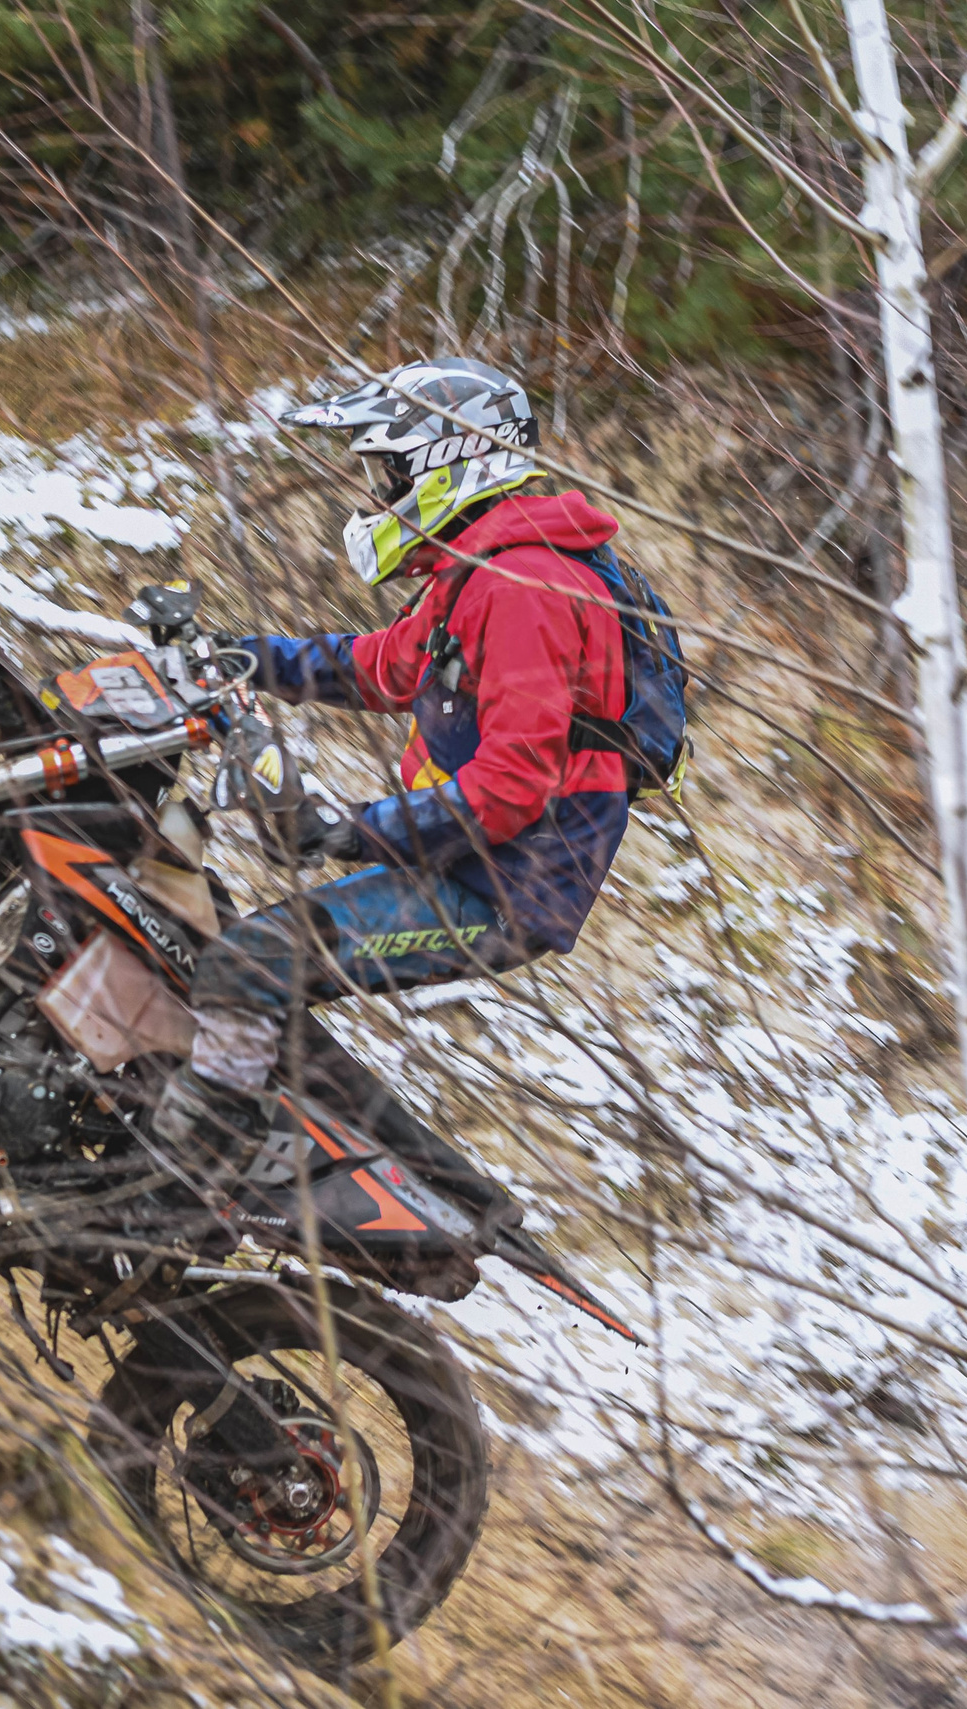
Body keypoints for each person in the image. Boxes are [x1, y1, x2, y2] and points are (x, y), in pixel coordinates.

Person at [152, 357, 646, 1165]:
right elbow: (377, 666)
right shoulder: (480, 572)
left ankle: (198, 1168)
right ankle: (276, 1131)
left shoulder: (525, 586)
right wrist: (242, 656)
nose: (377, 498)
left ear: (449, 464)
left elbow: (514, 785)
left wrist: (351, 832)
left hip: (503, 889)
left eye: (387, 475)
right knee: (253, 954)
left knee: (250, 963)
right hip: (468, 861)